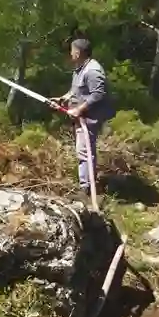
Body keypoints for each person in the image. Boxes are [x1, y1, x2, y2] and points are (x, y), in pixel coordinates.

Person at [50, 38, 115, 198]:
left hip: (88, 119)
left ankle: (86, 190)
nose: (70, 54)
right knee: (83, 151)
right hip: (80, 118)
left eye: (72, 51)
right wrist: (62, 99)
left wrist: (79, 109)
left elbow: (98, 94)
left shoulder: (92, 70)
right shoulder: (80, 69)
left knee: (85, 152)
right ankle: (86, 184)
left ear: (78, 52)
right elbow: (75, 91)